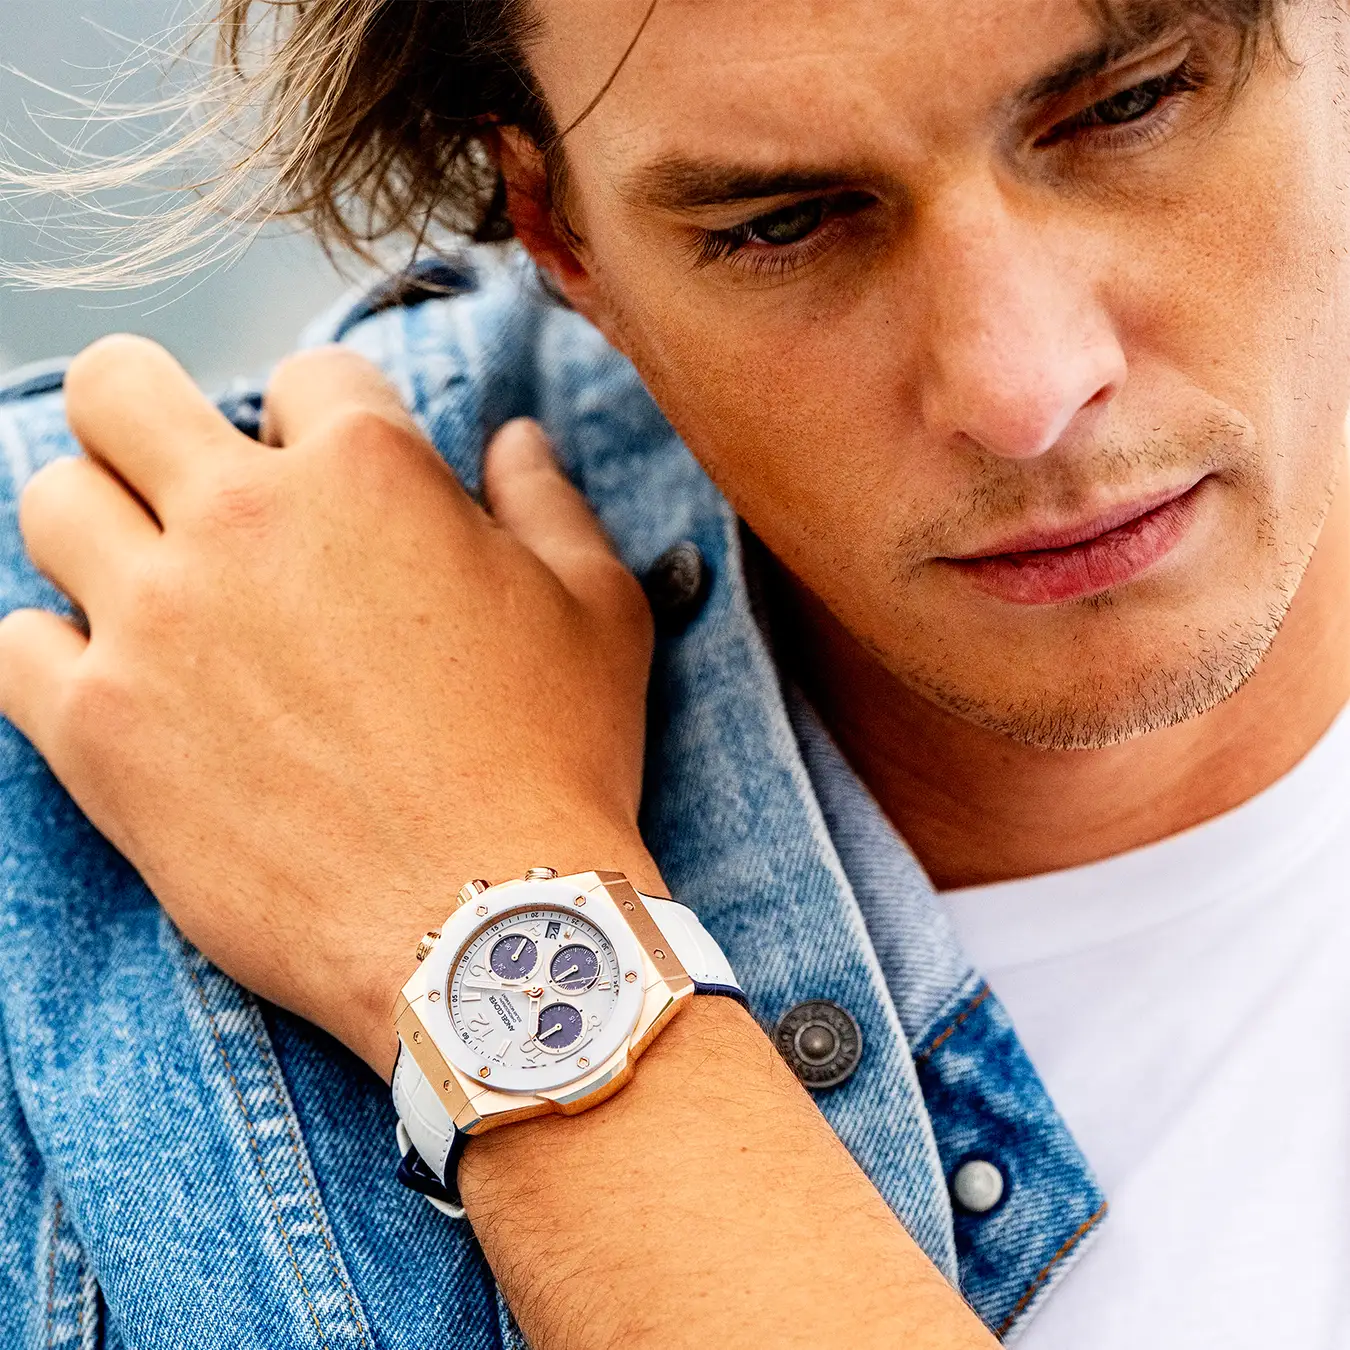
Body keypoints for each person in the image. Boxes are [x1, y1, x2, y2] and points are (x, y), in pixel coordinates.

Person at [0, 0, 1345, 1344]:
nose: (1025, 392)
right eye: (781, 223)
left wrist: (487, 904)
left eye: (1129, 106)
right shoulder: (87, 702)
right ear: (557, 229)